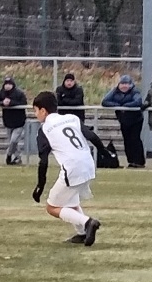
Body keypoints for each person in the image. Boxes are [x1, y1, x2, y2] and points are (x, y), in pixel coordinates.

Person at [31, 91, 103, 246]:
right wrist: (105, 152)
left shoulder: (44, 129)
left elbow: (43, 161)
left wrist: (40, 186)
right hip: (88, 163)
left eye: (35, 111)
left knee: (52, 207)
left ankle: (87, 222)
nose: (35, 115)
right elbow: (92, 136)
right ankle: (82, 234)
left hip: (72, 168)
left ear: (43, 110)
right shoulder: (72, 118)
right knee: (70, 200)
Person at [101, 75, 145, 168]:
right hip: (123, 120)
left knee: (135, 140)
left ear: (130, 84)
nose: (124, 86)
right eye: (122, 83)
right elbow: (105, 101)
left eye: (126, 84)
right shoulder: (114, 91)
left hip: (136, 120)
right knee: (127, 141)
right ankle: (131, 161)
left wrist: (125, 106)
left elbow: (138, 102)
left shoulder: (135, 91)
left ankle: (139, 161)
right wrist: (117, 105)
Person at [0, 75, 28, 165]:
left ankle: (8, 155)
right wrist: (2, 103)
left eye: (9, 84)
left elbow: (24, 103)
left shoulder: (19, 93)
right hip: (7, 121)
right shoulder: (1, 93)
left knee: (13, 140)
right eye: (6, 84)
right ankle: (18, 157)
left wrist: (11, 103)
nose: (7, 86)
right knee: (12, 143)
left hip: (19, 121)